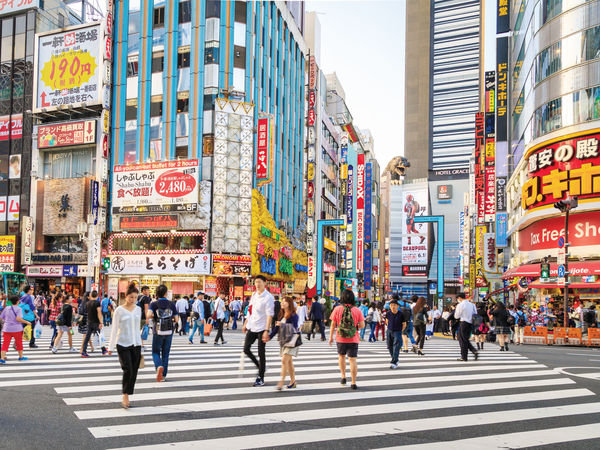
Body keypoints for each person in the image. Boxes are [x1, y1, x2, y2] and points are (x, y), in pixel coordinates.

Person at [108, 283, 142, 409]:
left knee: (134, 371)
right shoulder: (119, 310)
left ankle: (128, 392)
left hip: (136, 344)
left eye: (135, 297)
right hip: (122, 343)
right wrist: (110, 347)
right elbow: (114, 328)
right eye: (131, 297)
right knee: (127, 369)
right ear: (126, 296)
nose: (133, 300)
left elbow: (138, 327)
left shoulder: (138, 309)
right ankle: (125, 395)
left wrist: (141, 342)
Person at [329, 289, 365, 389]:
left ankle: (343, 376)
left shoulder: (337, 309)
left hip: (340, 338)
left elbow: (333, 324)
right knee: (352, 360)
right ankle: (353, 382)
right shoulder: (357, 310)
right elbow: (362, 325)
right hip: (353, 338)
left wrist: (331, 337)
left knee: (341, 357)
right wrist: (354, 327)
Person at [243, 275, 274, 387]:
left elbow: (269, 315)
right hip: (252, 326)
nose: (257, 284)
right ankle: (261, 367)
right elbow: (250, 310)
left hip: (262, 328)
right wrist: (246, 323)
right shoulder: (254, 294)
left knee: (261, 353)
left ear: (265, 283)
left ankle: (261, 377)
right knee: (246, 349)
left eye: (259, 282)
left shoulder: (268, 297)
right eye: (255, 282)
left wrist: (266, 330)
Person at [264, 296, 300, 390]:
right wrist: (269, 337)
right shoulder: (282, 314)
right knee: (289, 362)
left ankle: (281, 382)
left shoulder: (293, 315)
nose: (282, 303)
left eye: (285, 301)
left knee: (284, 360)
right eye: (282, 301)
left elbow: (295, 328)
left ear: (290, 303)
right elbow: (276, 329)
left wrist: (282, 325)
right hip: (284, 341)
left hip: (292, 341)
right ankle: (293, 381)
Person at [147, 285, 178, 382]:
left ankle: (158, 366)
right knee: (165, 353)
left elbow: (148, 315)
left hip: (158, 330)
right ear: (165, 293)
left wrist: (154, 316)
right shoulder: (171, 304)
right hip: (169, 331)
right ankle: (163, 376)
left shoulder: (154, 304)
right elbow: (176, 319)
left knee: (155, 352)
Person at [0, 296, 30, 363]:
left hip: (7, 329)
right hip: (17, 329)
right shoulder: (19, 309)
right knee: (19, 343)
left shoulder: (7, 308)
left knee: (5, 343)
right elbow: (18, 319)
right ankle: (21, 357)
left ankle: (2, 358)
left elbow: (1, 317)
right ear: (17, 301)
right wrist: (27, 322)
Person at [81, 291, 107, 357]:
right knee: (100, 336)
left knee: (87, 337)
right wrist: (101, 322)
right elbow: (99, 313)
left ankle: (84, 351)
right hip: (96, 322)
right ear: (97, 296)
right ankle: (103, 350)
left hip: (89, 322)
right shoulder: (97, 303)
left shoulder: (87, 303)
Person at [454, 293, 479, 361]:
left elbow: (456, 316)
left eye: (457, 299)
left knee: (462, 340)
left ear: (459, 298)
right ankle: (473, 351)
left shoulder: (460, 305)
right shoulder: (472, 305)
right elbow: (475, 313)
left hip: (464, 322)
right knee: (465, 339)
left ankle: (465, 356)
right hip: (471, 323)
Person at [385, 299, 406, 369]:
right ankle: (395, 359)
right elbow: (387, 321)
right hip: (389, 331)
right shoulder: (388, 313)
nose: (392, 306)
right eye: (391, 305)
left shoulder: (401, 314)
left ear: (397, 306)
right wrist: (389, 329)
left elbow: (404, 324)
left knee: (396, 347)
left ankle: (393, 362)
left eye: (394, 305)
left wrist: (400, 331)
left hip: (397, 332)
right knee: (389, 346)